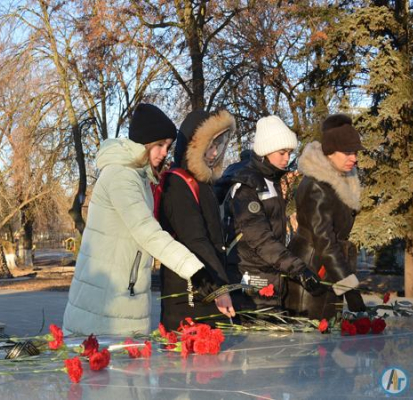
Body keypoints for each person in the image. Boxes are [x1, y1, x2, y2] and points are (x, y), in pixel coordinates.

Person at [63, 104, 214, 336]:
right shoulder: (121, 176)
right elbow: (146, 231)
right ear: (144, 142)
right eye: (160, 145)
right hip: (105, 303)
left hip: (122, 296)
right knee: (105, 369)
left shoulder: (139, 178)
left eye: (168, 146)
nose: (165, 152)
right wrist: (193, 270)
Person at [218, 116, 326, 310]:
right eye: (282, 152)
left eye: (290, 153)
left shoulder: (271, 181)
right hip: (249, 284)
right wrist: (299, 269)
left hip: (269, 278)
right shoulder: (247, 186)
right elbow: (261, 239)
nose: (287, 158)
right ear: (266, 151)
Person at [158, 109, 242, 330]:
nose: (214, 153)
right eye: (210, 146)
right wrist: (219, 288)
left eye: (218, 146)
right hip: (190, 288)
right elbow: (196, 240)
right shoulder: (178, 183)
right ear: (194, 147)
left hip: (207, 282)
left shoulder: (204, 184)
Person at [285, 114, 366, 319]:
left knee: (326, 340)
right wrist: (352, 292)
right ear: (330, 151)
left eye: (355, 152)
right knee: (312, 344)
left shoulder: (339, 181)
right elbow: (325, 244)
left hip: (329, 273)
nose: (354, 158)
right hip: (312, 276)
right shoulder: (317, 186)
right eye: (347, 152)